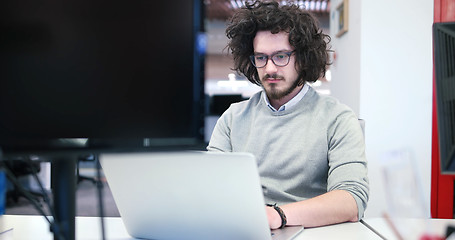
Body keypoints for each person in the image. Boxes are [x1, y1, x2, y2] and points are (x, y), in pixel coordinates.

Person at [207, 1, 369, 229]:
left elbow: (351, 200)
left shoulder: (338, 119)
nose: (270, 68)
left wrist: (277, 216)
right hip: (245, 230)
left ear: (302, 58)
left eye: (281, 56)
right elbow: (209, 186)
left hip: (310, 232)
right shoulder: (233, 118)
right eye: (261, 57)